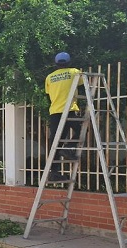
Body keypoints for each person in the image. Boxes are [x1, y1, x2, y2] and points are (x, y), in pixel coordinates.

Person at [44, 51, 84, 181]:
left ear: (56, 64)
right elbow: (85, 84)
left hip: (55, 112)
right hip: (69, 110)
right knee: (81, 130)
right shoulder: (74, 72)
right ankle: (68, 147)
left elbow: (48, 96)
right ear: (68, 62)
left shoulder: (49, 77)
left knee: (56, 142)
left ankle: (54, 172)